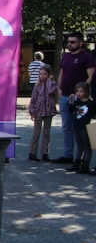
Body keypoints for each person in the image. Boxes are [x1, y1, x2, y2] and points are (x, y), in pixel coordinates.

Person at [52, 32, 95, 164]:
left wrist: (80, 92)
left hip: (80, 99)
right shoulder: (65, 56)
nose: (69, 44)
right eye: (68, 42)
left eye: (72, 42)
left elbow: (91, 76)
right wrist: (59, 88)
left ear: (80, 43)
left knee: (81, 128)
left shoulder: (87, 57)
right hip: (65, 96)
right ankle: (68, 155)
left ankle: (82, 157)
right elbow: (62, 73)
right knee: (66, 127)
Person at [28, 64, 57, 162]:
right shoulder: (37, 86)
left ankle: (45, 153)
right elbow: (33, 99)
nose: (42, 76)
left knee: (46, 133)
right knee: (36, 132)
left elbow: (51, 91)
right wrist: (32, 111)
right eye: (40, 74)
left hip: (49, 111)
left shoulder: (52, 84)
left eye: (44, 74)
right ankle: (32, 152)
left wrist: (49, 81)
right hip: (38, 111)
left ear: (49, 75)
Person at [67, 82, 96, 173]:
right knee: (79, 145)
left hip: (85, 126)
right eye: (77, 91)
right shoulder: (77, 102)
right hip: (76, 125)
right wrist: (70, 102)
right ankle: (77, 163)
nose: (79, 93)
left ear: (86, 92)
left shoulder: (90, 103)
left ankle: (85, 165)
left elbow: (93, 114)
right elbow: (71, 111)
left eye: (81, 91)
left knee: (87, 146)